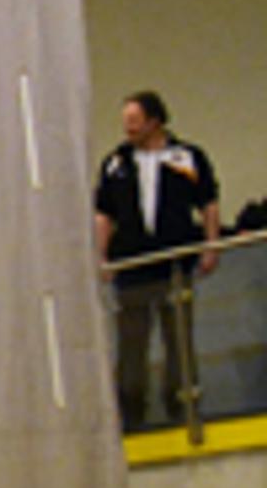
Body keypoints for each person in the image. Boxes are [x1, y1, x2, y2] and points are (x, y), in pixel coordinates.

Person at [91, 90, 223, 430]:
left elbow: (208, 203)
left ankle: (181, 407)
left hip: (174, 264)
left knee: (178, 338)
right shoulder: (116, 163)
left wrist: (211, 246)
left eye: (135, 121)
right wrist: (101, 254)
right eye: (125, 122)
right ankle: (131, 412)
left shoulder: (187, 157)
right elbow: (103, 213)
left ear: (155, 121)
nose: (128, 128)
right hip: (132, 269)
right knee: (131, 343)